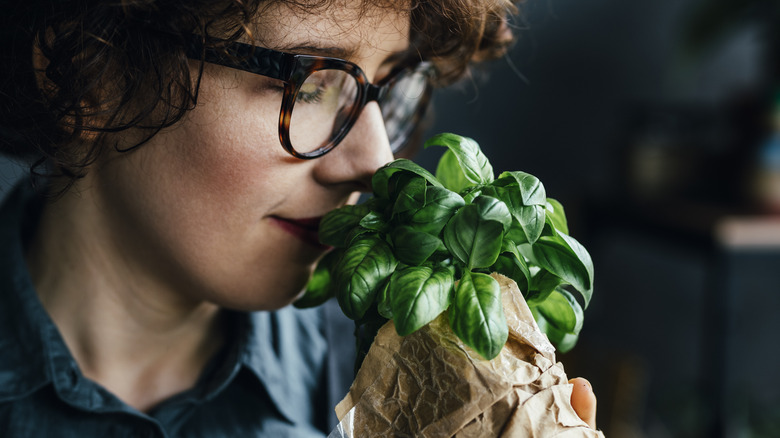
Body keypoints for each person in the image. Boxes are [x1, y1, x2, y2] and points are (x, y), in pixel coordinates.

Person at [0, 0, 598, 436]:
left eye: (389, 85)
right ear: (87, 76)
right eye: (307, 82)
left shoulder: (401, 383)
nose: (376, 162)